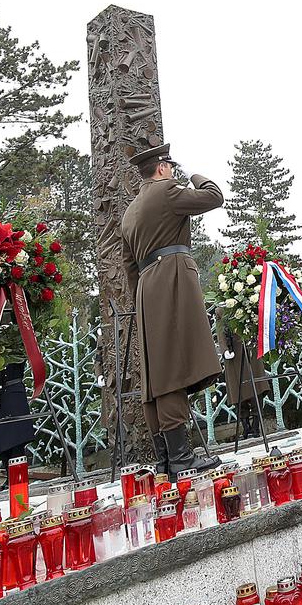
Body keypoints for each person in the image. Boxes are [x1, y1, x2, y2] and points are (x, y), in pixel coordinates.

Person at [119, 143, 226, 474]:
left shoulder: (130, 211)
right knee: (174, 369)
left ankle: (167, 458)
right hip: (172, 280)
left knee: (156, 373)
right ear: (162, 168)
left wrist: (145, 296)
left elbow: (128, 266)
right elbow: (213, 196)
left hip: (148, 289)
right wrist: (194, 173)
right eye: (171, 166)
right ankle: (181, 458)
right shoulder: (166, 191)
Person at [0, 361, 35, 471]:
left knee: (16, 440)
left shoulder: (15, 350)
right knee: (2, 443)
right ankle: (9, 475)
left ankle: (18, 475)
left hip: (13, 394)